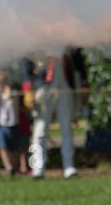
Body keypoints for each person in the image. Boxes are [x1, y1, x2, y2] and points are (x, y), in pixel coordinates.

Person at [24, 50, 88, 179]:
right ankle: (38, 169)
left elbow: (77, 59)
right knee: (40, 130)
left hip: (65, 85)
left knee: (66, 128)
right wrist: (27, 88)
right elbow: (26, 61)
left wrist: (84, 82)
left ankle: (69, 167)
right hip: (43, 86)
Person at [0, 71, 23, 176]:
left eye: (1, 82)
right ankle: (8, 167)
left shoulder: (14, 91)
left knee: (14, 149)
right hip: (2, 125)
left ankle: (15, 168)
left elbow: (10, 96)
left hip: (13, 124)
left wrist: (6, 88)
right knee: (2, 147)